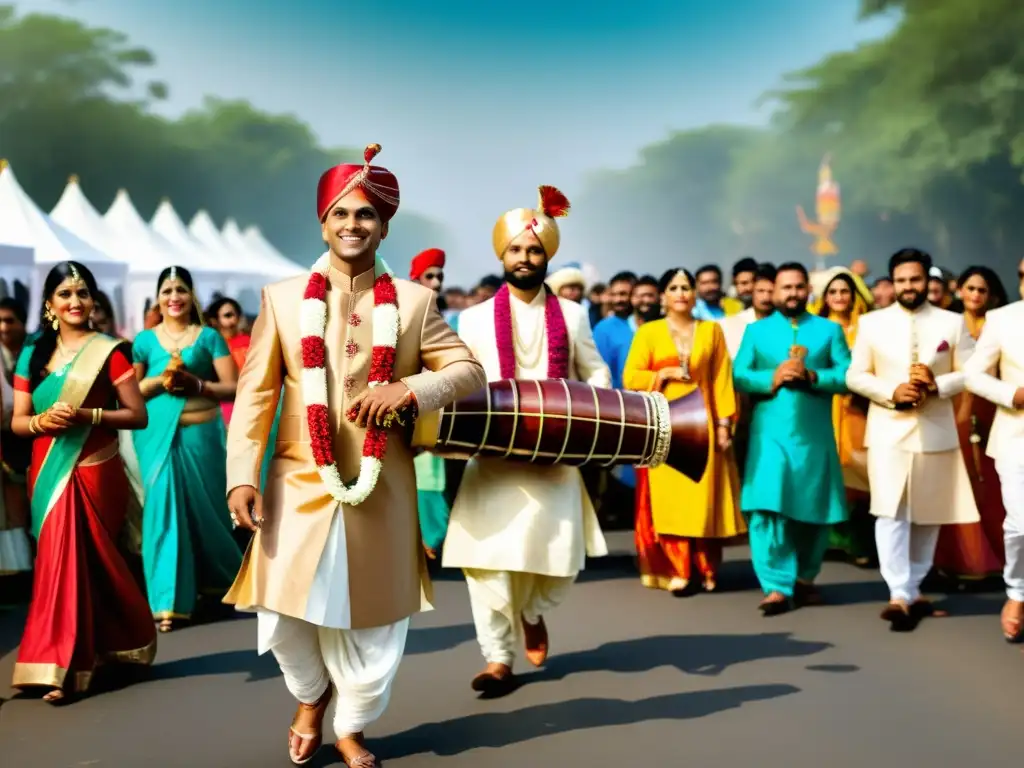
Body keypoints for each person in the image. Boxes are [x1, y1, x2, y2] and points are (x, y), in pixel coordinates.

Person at [223, 144, 485, 767]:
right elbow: (256, 393)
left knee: (375, 619)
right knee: (283, 612)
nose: (352, 225)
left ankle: (353, 723)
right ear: (322, 222)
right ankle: (311, 697)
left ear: (385, 225)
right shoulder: (283, 299)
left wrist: (408, 388)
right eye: (340, 214)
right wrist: (241, 476)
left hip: (380, 483)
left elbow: (468, 370)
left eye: (365, 215)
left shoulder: (415, 303)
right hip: (297, 477)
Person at [443, 185, 609, 696]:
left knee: (558, 557)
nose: (525, 257)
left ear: (546, 256)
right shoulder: (471, 319)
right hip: (493, 457)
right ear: (502, 254)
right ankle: (497, 659)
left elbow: (596, 370)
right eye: (516, 249)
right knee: (485, 561)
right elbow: (457, 379)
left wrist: (593, 410)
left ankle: (533, 611)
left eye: (534, 250)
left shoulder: (575, 316)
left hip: (556, 455)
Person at [9, 261, 154, 703]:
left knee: (90, 562)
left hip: (95, 466)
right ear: (50, 304)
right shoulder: (33, 355)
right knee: (57, 563)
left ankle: (70, 667)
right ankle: (85, 652)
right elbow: (17, 422)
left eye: (83, 293)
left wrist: (87, 415)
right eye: (65, 294)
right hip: (48, 470)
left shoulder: (111, 351)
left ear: (93, 301)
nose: (76, 302)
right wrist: (40, 422)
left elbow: (137, 415)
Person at [846, 248, 979, 631]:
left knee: (929, 512)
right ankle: (898, 592)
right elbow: (856, 376)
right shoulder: (871, 323)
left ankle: (914, 585)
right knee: (890, 511)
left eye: (915, 280)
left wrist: (938, 385)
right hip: (889, 429)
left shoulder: (952, 323)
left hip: (935, 429)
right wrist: (892, 391)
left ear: (927, 281)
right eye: (901, 280)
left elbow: (971, 372)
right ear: (891, 282)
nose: (908, 287)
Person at [733, 262, 851, 614]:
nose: (793, 294)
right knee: (768, 506)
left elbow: (848, 375)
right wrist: (773, 376)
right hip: (770, 435)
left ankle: (804, 579)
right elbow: (739, 374)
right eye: (786, 288)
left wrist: (815, 375)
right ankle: (776, 585)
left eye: (799, 287)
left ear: (808, 291)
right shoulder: (756, 331)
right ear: (775, 291)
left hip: (814, 436)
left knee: (814, 509)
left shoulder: (829, 331)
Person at [132, 266, 243, 632]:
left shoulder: (208, 336)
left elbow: (233, 386)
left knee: (207, 512)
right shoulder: (145, 341)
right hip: (157, 436)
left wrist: (197, 384)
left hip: (203, 436)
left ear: (191, 296)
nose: (174, 297)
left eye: (181, 289)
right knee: (163, 511)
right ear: (158, 297)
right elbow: (129, 393)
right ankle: (167, 602)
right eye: (167, 290)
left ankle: (221, 582)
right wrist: (159, 381)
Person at [624, 267, 744, 595]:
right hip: (666, 427)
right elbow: (630, 377)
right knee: (671, 501)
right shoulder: (649, 332)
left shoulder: (711, 331)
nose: (681, 293)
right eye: (674, 287)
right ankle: (679, 569)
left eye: (686, 287)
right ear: (663, 295)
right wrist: (660, 373)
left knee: (704, 498)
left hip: (704, 427)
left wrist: (723, 426)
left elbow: (721, 379)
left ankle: (707, 566)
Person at [935, 267, 1009, 583]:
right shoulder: (947, 326)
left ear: (991, 295)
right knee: (958, 482)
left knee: (991, 482)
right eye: (970, 288)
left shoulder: (1002, 325)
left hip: (995, 408)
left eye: (982, 290)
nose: (976, 295)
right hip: (955, 411)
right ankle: (961, 558)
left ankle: (1002, 555)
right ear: (960, 291)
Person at [962, 290, 1024, 641]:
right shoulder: (1003, 319)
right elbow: (972, 374)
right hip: (1017, 436)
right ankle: (1017, 592)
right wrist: (1013, 395)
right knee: (1020, 525)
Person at [818, 269, 875, 566]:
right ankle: (829, 541)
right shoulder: (817, 329)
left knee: (859, 471)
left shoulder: (866, 328)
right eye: (833, 292)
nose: (839, 297)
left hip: (857, 410)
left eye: (844, 292)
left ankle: (860, 542)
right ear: (825, 298)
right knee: (827, 470)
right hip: (824, 408)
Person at [408, 247, 451, 558]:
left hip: (442, 414)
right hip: (408, 412)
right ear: (415, 280)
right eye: (429, 276)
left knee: (434, 478)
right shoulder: (402, 318)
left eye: (439, 277)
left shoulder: (449, 323)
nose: (436, 283)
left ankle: (430, 539)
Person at [207, 296, 251, 425]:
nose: (233, 319)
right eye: (227, 315)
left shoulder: (251, 342)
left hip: (250, 399)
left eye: (235, 315)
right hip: (224, 403)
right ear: (214, 320)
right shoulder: (213, 346)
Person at [721, 263, 776, 359]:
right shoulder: (729, 324)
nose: (766, 297)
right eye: (761, 291)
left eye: (771, 291)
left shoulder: (790, 323)